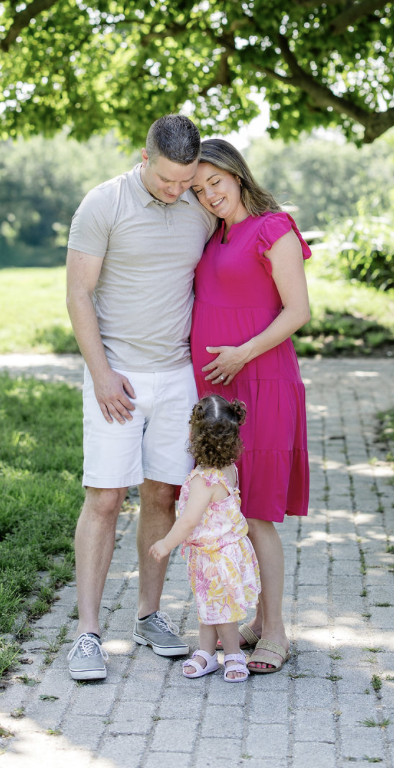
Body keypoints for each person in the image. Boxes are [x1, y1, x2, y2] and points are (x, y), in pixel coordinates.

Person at [65, 115, 215, 680]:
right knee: (104, 499)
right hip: (117, 374)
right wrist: (101, 374)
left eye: (186, 180)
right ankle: (86, 633)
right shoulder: (103, 204)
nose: (177, 191)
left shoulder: (197, 206)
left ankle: (149, 617)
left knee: (162, 496)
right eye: (167, 180)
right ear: (143, 157)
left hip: (177, 376)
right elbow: (78, 293)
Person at [190, 138, 312, 674]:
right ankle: (251, 621)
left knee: (258, 511)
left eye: (215, 181)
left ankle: (276, 632)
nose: (210, 194)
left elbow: (298, 311)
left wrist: (241, 354)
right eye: (198, 189)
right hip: (219, 393)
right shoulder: (215, 235)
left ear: (237, 174)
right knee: (227, 507)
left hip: (262, 381)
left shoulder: (273, 227)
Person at [149, 394, 260, 683]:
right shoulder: (229, 470)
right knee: (209, 605)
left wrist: (165, 544)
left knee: (221, 609)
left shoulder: (203, 480)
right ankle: (207, 652)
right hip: (226, 551)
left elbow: (187, 521)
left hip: (215, 556)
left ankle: (233, 653)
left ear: (193, 435)